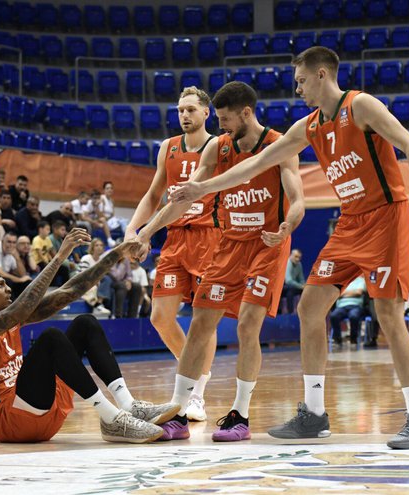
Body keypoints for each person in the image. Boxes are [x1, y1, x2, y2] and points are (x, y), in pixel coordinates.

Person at [171, 47, 409, 449]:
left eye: (300, 80)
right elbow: (255, 165)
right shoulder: (310, 126)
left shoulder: (360, 105)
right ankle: (314, 414)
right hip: (350, 222)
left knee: (388, 313)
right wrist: (203, 187)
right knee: (309, 307)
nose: (296, 89)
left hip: (386, 217)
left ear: (322, 75)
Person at [139, 80, 304, 442]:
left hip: (267, 244)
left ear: (246, 113)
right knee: (200, 324)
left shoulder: (279, 145)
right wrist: (146, 231)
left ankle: (240, 415)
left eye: (226, 118)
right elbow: (185, 197)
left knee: (247, 325)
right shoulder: (218, 147)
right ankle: (179, 412)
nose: (221, 125)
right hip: (229, 244)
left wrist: (287, 225)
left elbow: (298, 198)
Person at [0, 232, 178, 444]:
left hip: (44, 410)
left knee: (85, 323)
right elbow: (16, 311)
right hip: (12, 421)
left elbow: (71, 290)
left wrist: (116, 254)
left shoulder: (13, 319)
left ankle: (126, 405)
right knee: (51, 337)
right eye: (1, 285)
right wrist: (58, 258)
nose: (9, 289)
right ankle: (111, 416)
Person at [124, 86, 220, 422]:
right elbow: (153, 195)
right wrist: (131, 231)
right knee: (160, 317)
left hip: (211, 236)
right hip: (175, 238)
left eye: (191, 109)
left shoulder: (218, 147)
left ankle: (197, 395)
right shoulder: (168, 148)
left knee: (202, 322)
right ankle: (194, 374)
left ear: (207, 112)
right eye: (180, 110)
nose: (184, 115)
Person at [329, 275, 366, 346]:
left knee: (354, 316)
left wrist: (344, 294)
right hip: (341, 306)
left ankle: (353, 339)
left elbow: (359, 292)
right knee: (334, 316)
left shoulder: (361, 280)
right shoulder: (342, 281)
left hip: (356, 305)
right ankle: (337, 340)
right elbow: (337, 294)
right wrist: (352, 293)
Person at [78, 238, 111, 316]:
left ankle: (99, 304)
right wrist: (94, 281)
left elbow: (102, 275)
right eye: (97, 245)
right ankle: (97, 305)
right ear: (92, 247)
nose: (99, 247)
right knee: (95, 286)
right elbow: (82, 275)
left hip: (96, 281)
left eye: (101, 245)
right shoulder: (86, 258)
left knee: (108, 280)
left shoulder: (102, 260)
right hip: (82, 281)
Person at [108, 251, 142, 319]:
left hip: (122, 281)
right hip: (110, 281)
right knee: (122, 286)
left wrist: (128, 281)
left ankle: (132, 316)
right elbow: (115, 276)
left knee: (137, 287)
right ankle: (118, 315)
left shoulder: (126, 259)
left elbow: (129, 274)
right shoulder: (109, 258)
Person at [283, 249, 305, 313]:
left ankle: (304, 311)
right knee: (290, 291)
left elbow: (301, 279)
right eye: (296, 257)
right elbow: (288, 281)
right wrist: (300, 286)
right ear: (291, 256)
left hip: (292, 286)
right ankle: (290, 313)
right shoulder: (288, 263)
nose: (297, 259)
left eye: (299, 257)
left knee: (306, 290)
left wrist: (304, 285)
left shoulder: (299, 264)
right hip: (282, 286)